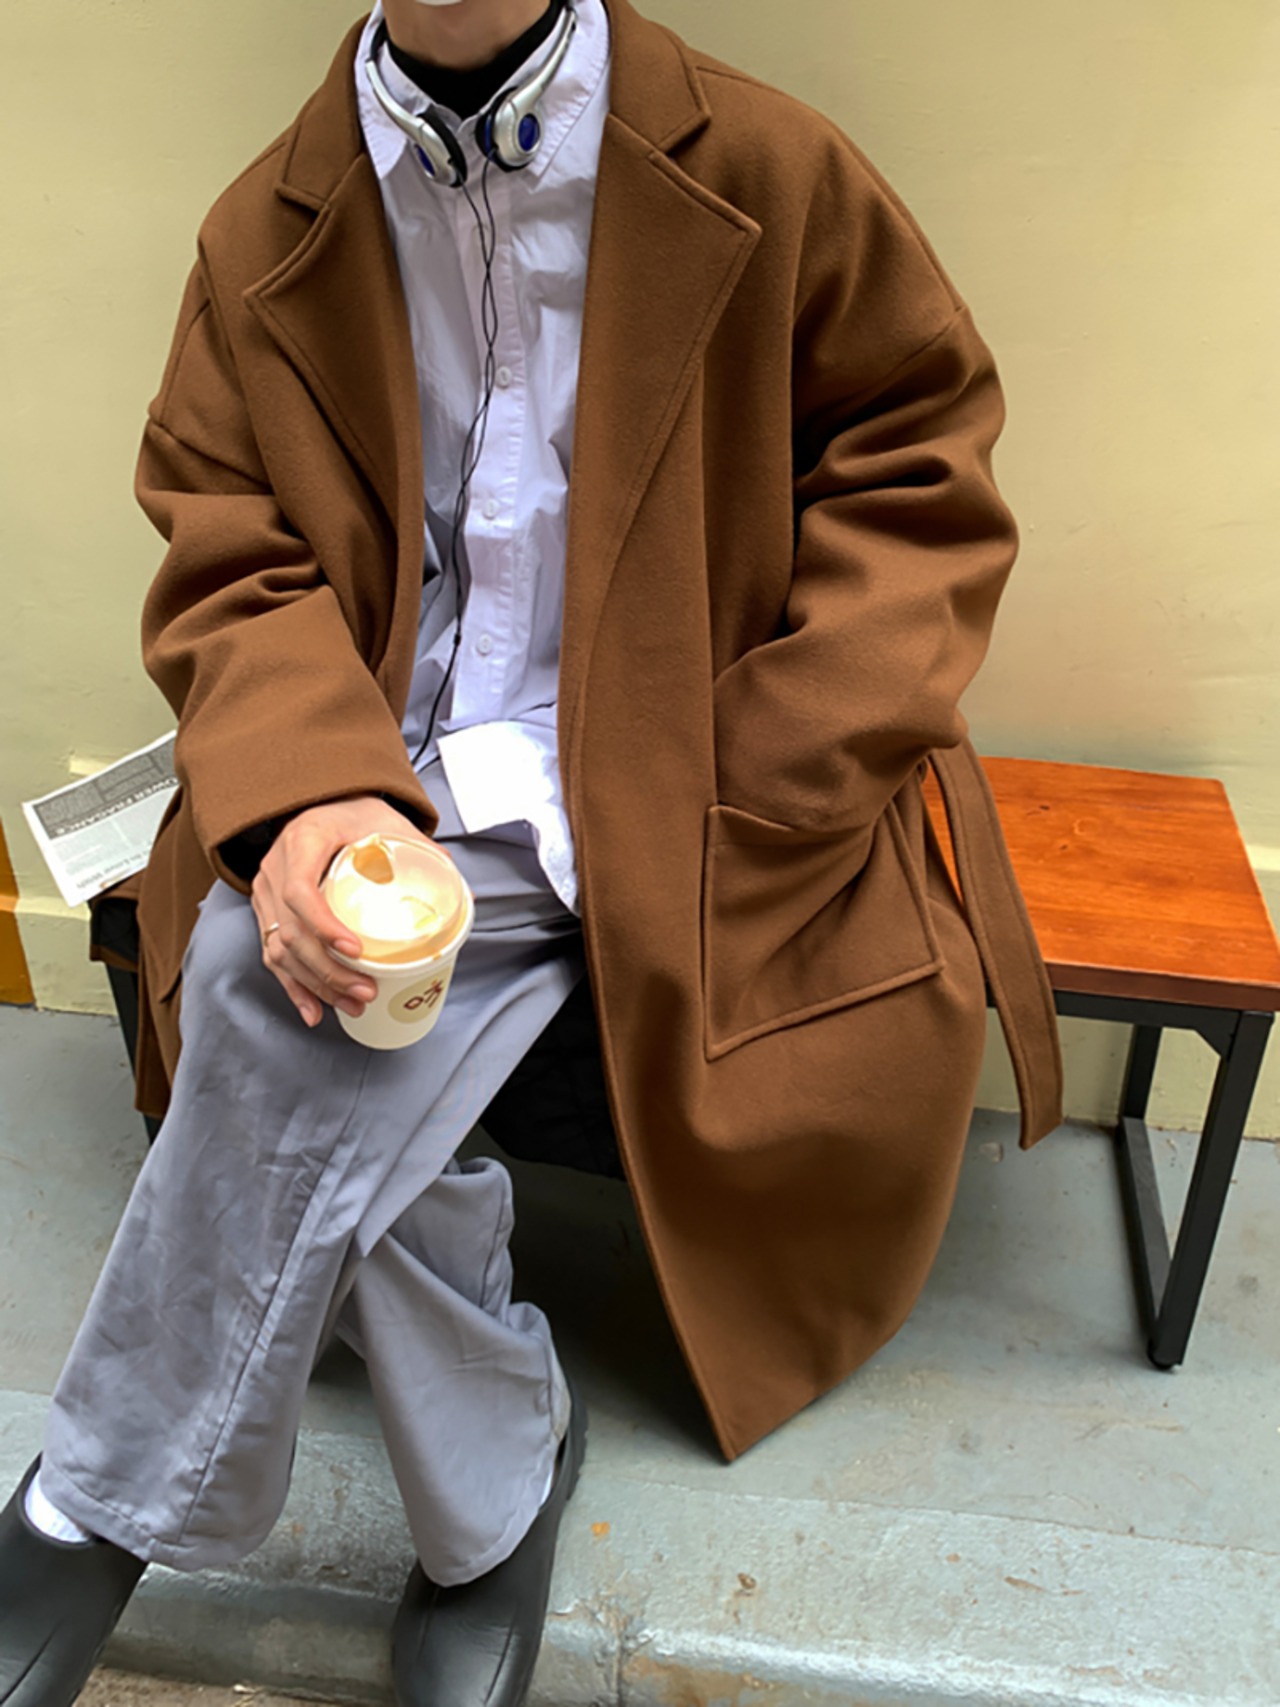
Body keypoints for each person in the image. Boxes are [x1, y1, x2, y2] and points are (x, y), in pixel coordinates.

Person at [0, 0, 1063, 1703]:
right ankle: (498, 1489)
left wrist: (756, 769)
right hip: (387, 766)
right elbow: (229, 543)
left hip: (697, 782)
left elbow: (922, 482)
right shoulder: (266, 225)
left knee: (264, 993)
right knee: (312, 973)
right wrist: (310, 786)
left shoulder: (772, 169)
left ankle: (81, 1512)